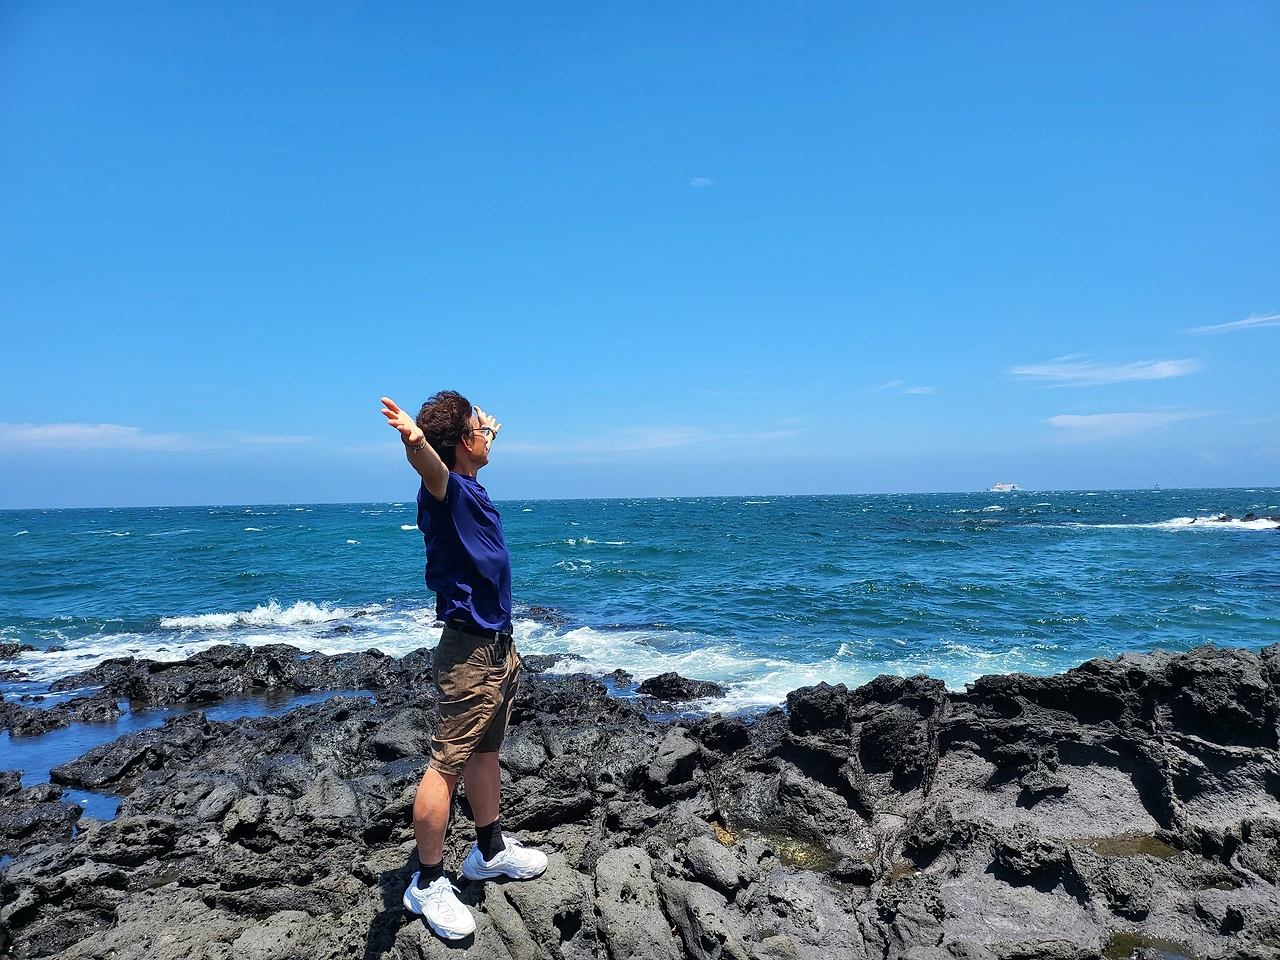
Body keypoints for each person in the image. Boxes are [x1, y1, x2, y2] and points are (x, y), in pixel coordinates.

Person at [380, 390, 547, 940]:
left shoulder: (470, 485)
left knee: (486, 753)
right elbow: (431, 467)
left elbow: (461, 458)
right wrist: (415, 442)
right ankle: (427, 882)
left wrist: (485, 436)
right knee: (445, 766)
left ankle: (489, 850)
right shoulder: (445, 488)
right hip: (469, 653)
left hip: (497, 648)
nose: (486, 433)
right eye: (478, 428)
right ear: (458, 443)